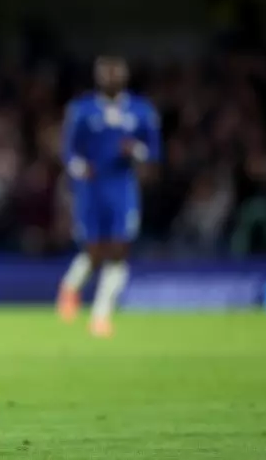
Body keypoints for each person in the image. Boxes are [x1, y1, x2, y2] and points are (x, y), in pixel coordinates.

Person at [56, 56, 162, 337]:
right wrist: (80, 168)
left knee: (119, 248)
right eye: (106, 72)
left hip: (123, 186)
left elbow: (154, 152)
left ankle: (101, 314)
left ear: (125, 76)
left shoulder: (141, 110)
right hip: (91, 188)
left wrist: (135, 150)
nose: (111, 77)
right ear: (97, 76)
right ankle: (70, 286)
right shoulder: (82, 109)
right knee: (94, 250)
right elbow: (68, 151)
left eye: (116, 72)